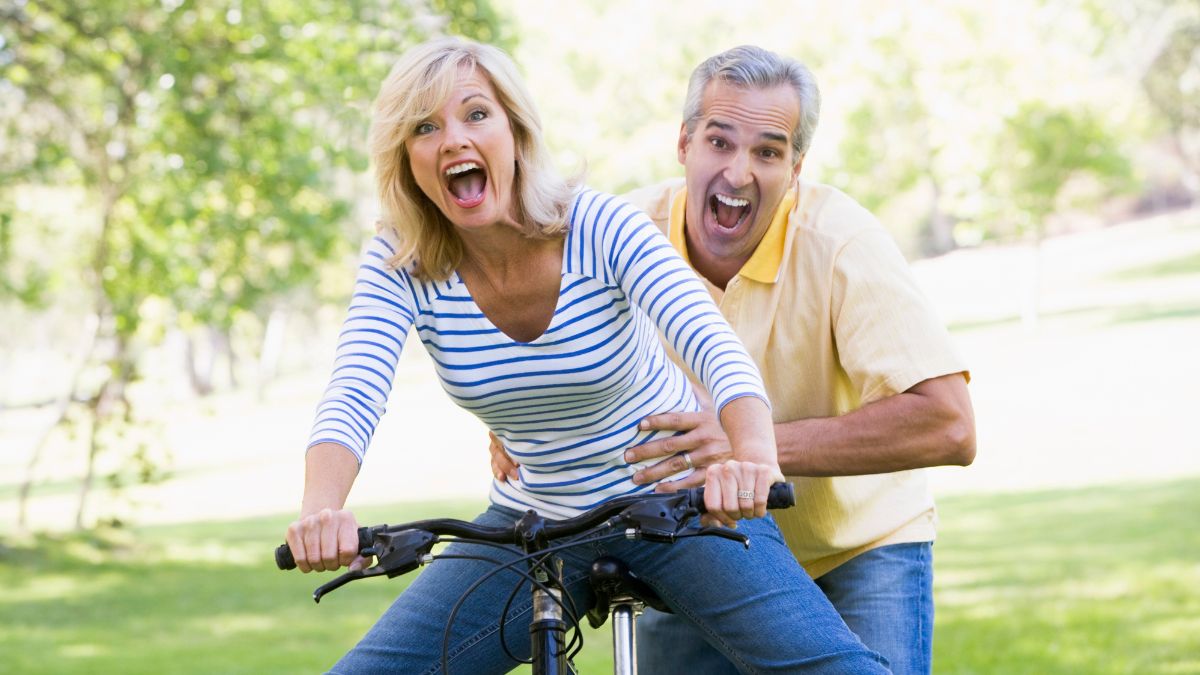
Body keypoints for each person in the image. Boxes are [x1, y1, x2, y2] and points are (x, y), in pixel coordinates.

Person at [285, 37, 889, 673]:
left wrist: (755, 461)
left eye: (476, 114)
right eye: (425, 127)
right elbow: (354, 390)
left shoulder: (599, 226)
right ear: (406, 158)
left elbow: (714, 348)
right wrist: (321, 512)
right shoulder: (399, 261)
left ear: (515, 131)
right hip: (533, 526)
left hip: (675, 505)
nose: (454, 140)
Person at [489, 45, 976, 675]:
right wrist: (515, 429)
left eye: (768, 152)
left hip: (856, 549)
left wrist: (747, 448)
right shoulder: (619, 233)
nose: (740, 172)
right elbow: (530, 344)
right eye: (720, 142)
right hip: (702, 544)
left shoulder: (843, 244)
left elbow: (950, 424)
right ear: (684, 144)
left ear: (797, 168)